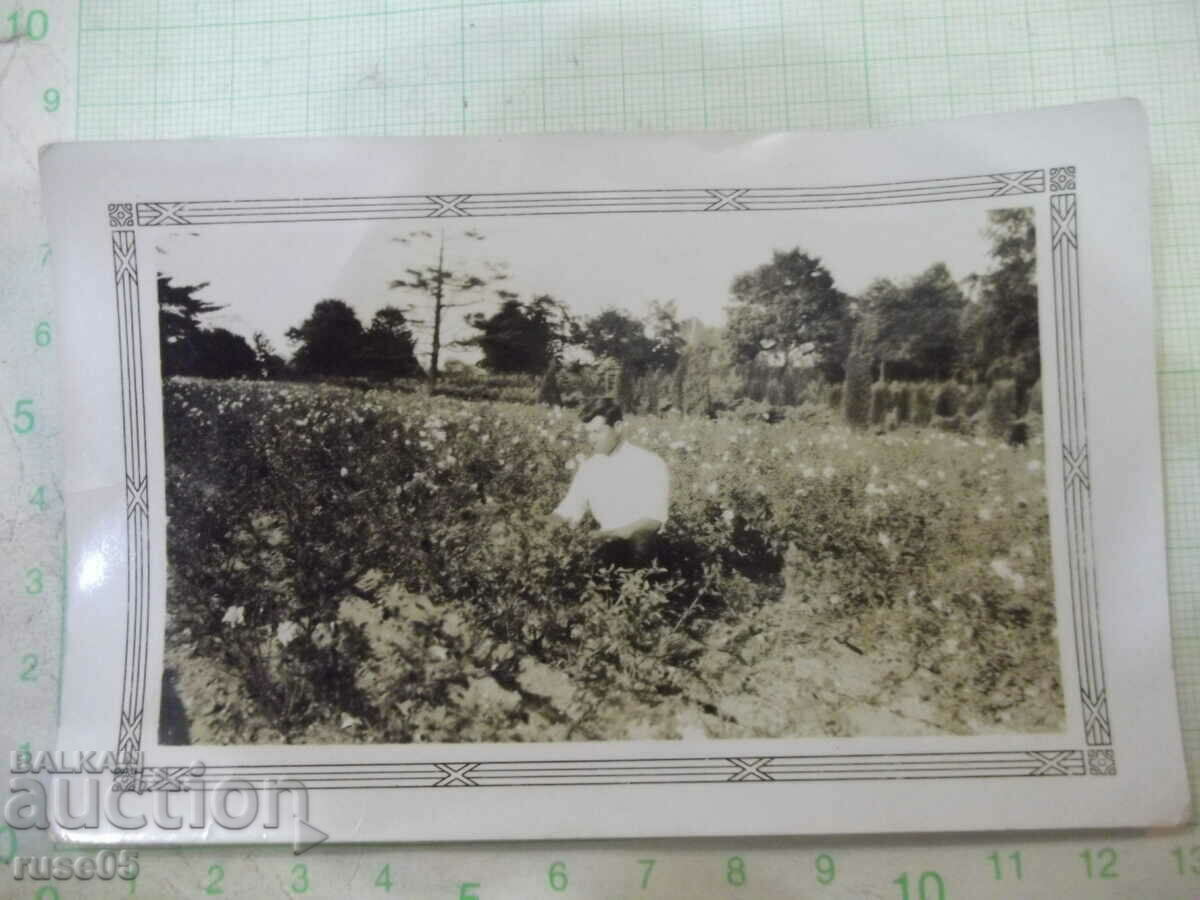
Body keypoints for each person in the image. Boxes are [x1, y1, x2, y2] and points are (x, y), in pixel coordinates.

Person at [550, 398, 670, 568]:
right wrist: (541, 527)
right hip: (605, 547)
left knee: (640, 542)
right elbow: (569, 510)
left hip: (641, 551)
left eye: (597, 432)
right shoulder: (590, 467)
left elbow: (653, 521)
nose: (591, 439)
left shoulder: (649, 463)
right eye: (588, 433)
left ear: (618, 427)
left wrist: (605, 535)